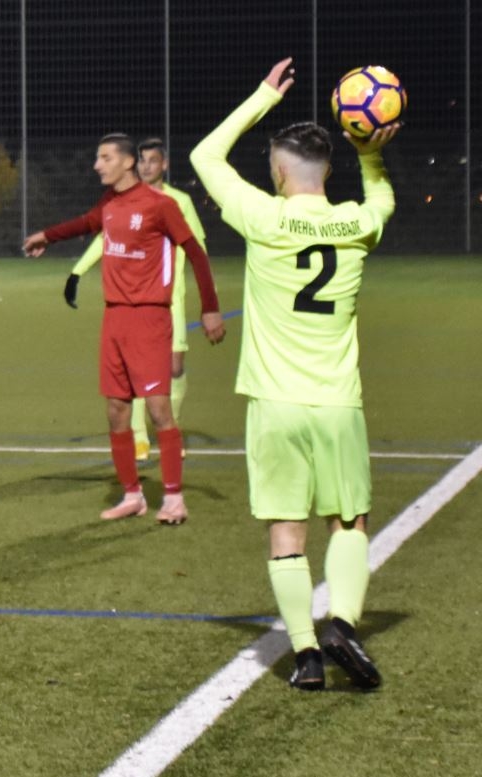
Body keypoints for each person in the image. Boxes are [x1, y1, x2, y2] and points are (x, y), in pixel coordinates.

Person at [190, 58, 399, 690]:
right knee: (349, 522)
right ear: (328, 171)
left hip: (273, 404)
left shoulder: (264, 217)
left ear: (279, 172)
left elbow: (204, 157)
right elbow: (383, 199)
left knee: (287, 531)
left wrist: (261, 97)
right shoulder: (357, 224)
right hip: (337, 402)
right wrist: (370, 152)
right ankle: (343, 623)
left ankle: (306, 655)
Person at [24, 133, 225, 525]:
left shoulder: (160, 205)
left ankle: (174, 499)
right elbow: (86, 223)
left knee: (158, 409)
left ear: (127, 162)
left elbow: (196, 253)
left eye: (105, 158)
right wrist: (47, 236)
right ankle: (133, 495)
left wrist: (211, 308)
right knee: (116, 411)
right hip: (114, 318)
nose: (97, 165)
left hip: (149, 317)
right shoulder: (110, 203)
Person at [63, 138, 208, 461]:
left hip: (170, 300)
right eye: (142, 160)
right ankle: (140, 438)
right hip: (135, 302)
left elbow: (196, 245)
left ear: (164, 165)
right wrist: (78, 271)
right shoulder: (123, 202)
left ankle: (170, 426)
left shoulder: (179, 201)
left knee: (174, 368)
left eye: (153, 160)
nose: (147, 166)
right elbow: (106, 238)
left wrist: (205, 295)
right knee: (133, 372)